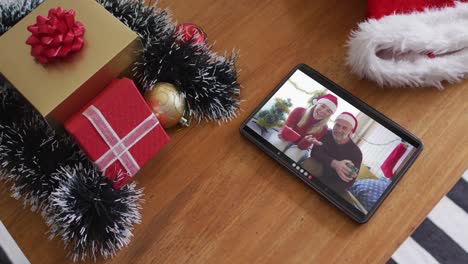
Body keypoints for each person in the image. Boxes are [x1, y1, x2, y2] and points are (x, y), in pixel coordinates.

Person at [303, 112, 363, 194]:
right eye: (337, 125)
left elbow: (349, 181)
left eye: (344, 128)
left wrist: (325, 190)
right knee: (309, 163)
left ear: (350, 132)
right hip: (320, 168)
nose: (339, 130)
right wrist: (335, 163)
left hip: (335, 182)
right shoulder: (326, 133)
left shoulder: (356, 153)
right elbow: (315, 152)